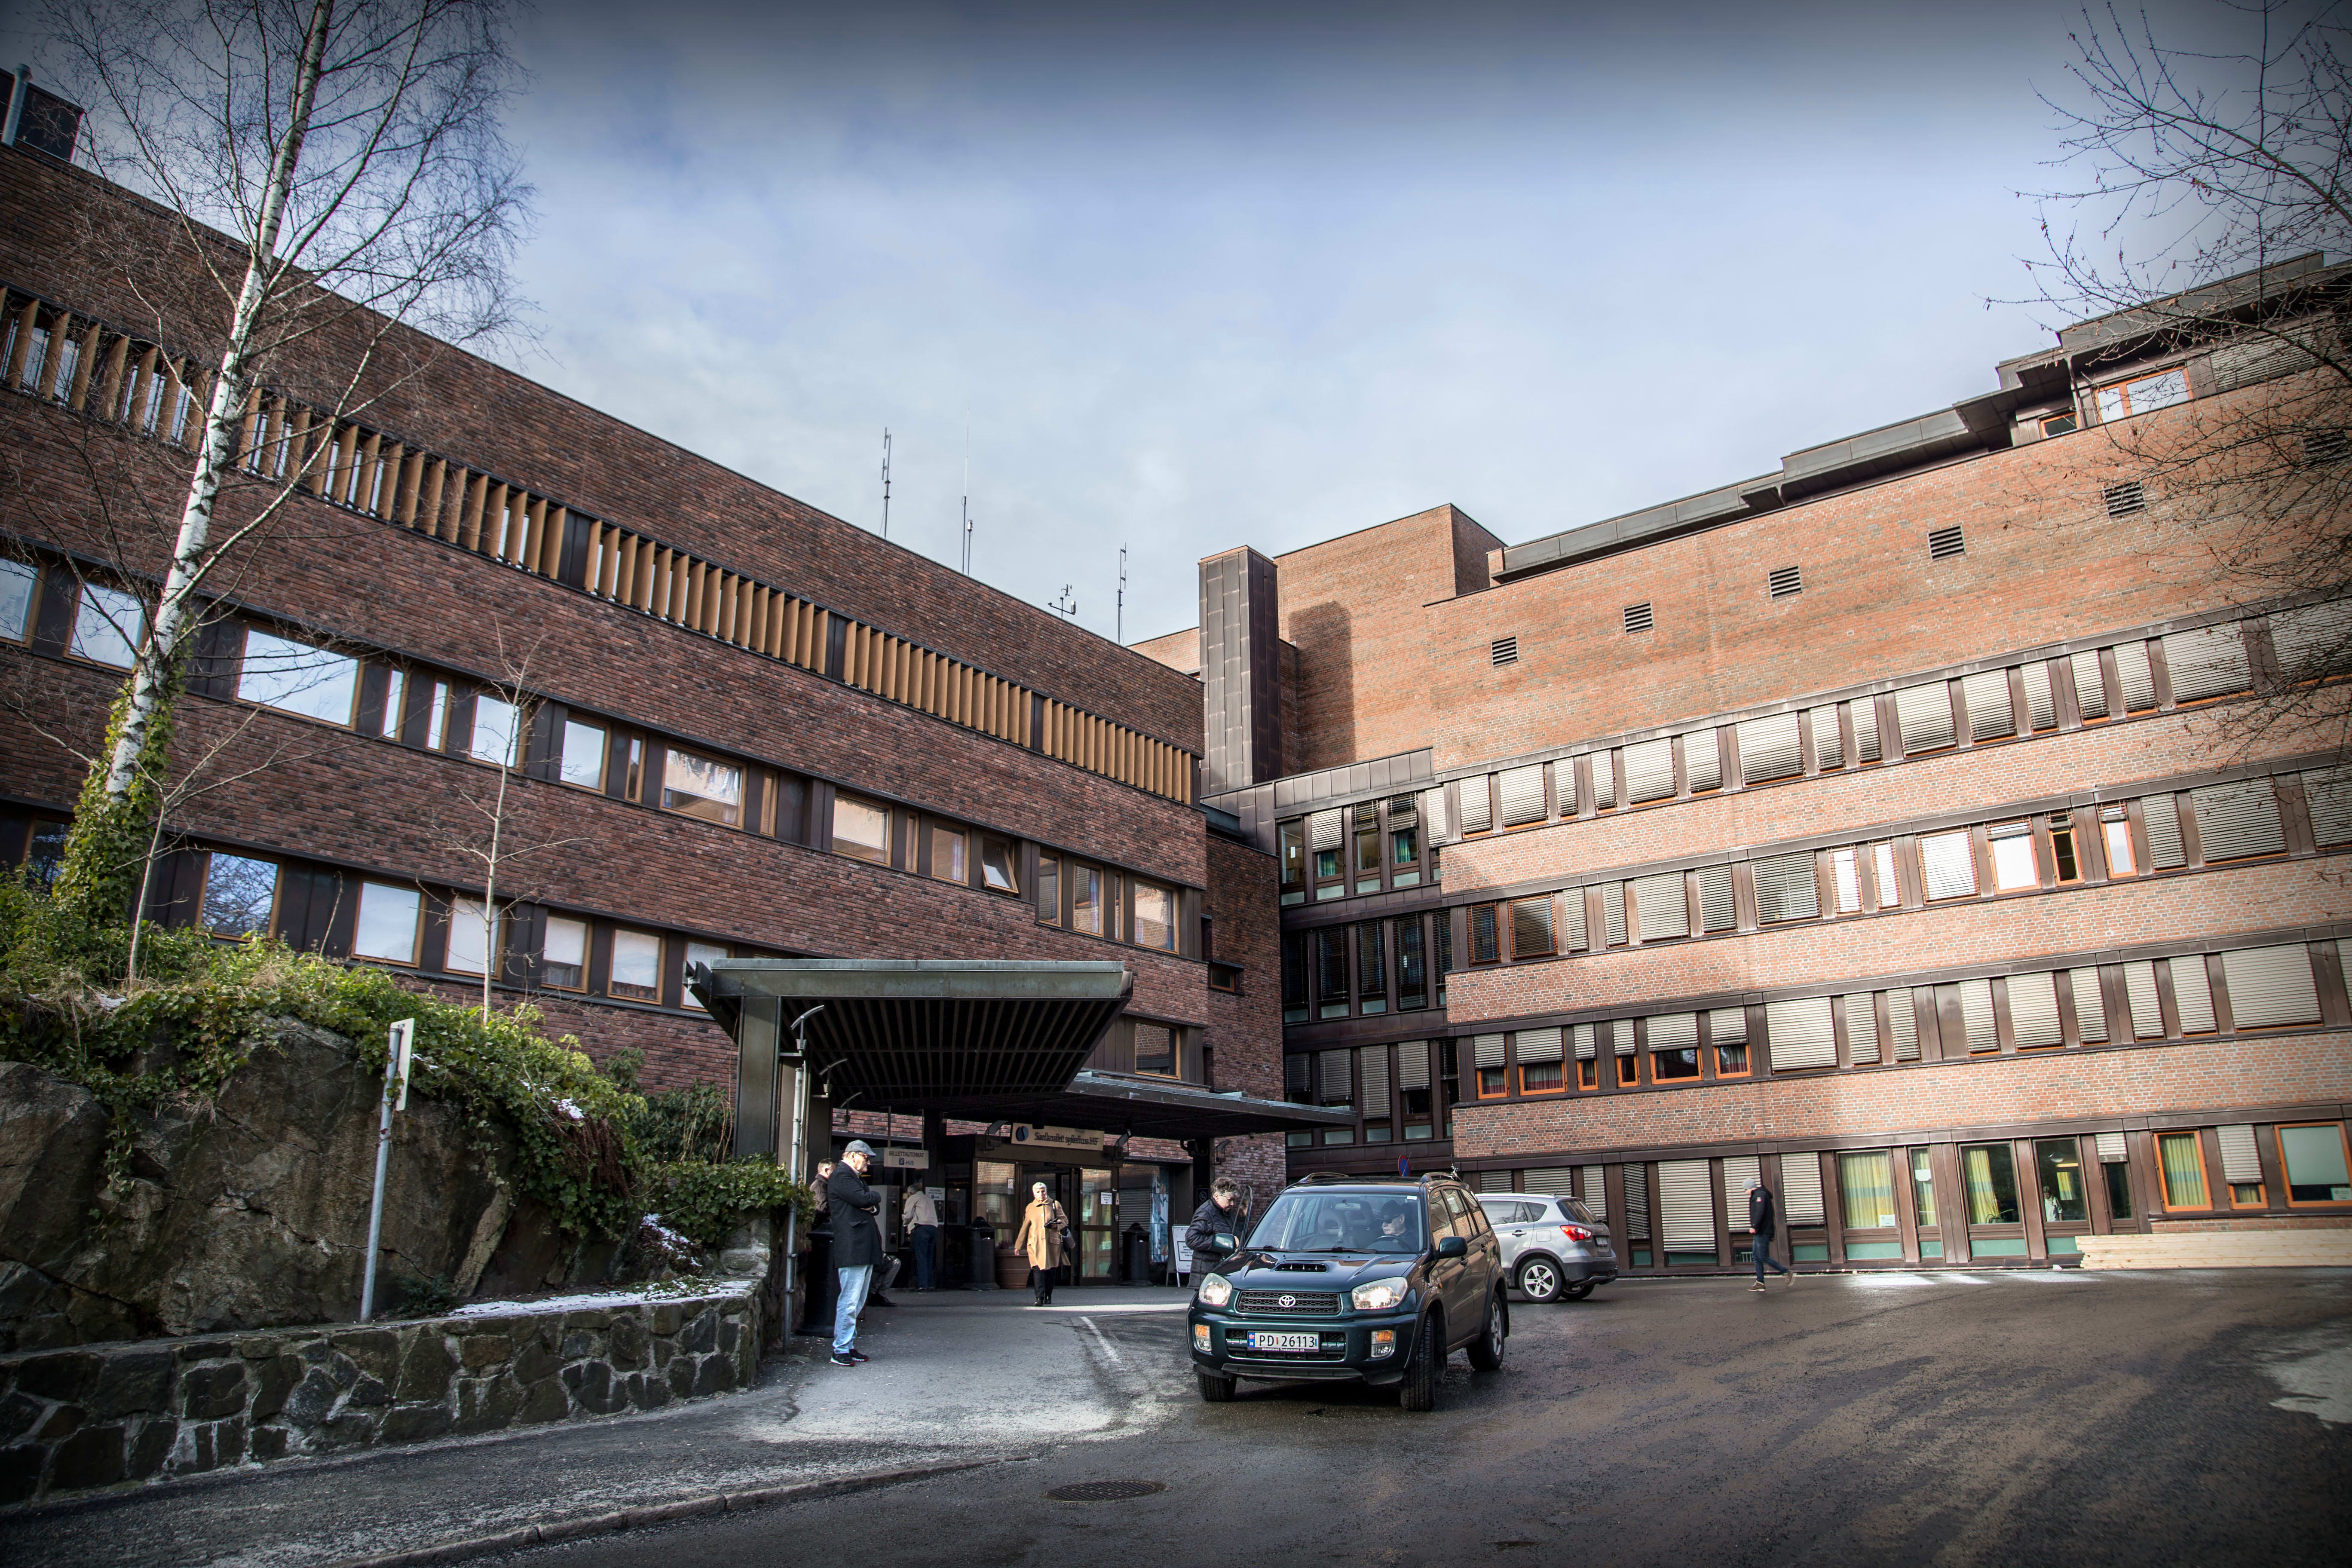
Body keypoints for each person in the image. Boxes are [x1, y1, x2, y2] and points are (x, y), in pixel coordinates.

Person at [826, 1141, 883, 1365]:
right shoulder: (842, 1175)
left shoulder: (854, 1178)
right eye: (866, 1157)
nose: (868, 1163)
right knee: (850, 1300)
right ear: (852, 1156)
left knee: (857, 1301)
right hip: (853, 1246)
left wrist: (870, 1202)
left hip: (861, 1246)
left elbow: (871, 1206)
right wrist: (873, 1198)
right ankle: (840, 1349)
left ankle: (848, 1345)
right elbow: (864, 1200)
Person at [1015, 1181, 1069, 1306]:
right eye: (1038, 1192)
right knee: (1037, 1270)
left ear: (1046, 1192)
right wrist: (1018, 1245)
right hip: (1035, 1244)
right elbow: (1025, 1227)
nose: (1041, 1194)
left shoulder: (1054, 1204)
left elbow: (1064, 1220)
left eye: (1043, 1191)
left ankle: (1049, 1295)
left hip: (1052, 1244)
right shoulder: (1030, 1208)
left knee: (1051, 1271)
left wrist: (1056, 1225)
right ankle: (1039, 1298)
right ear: (1034, 1194)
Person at [1185, 1178, 1250, 1273]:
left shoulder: (1228, 1213)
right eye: (1230, 1200)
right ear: (1217, 1196)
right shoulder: (1206, 1212)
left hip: (1220, 1269)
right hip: (1207, 1273)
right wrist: (1223, 1242)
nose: (1232, 1204)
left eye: (1234, 1200)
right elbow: (1192, 1239)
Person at [1748, 1178, 1793, 1291]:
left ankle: (1786, 1272)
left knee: (1762, 1257)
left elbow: (1760, 1212)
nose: (1746, 1192)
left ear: (1750, 1188)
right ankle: (1760, 1282)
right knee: (1756, 1257)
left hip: (1763, 1232)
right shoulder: (1759, 1195)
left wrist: (1754, 1226)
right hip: (1761, 1231)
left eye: (1746, 1190)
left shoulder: (1759, 1195)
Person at [903, 1184, 941, 1292]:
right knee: (929, 1257)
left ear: (911, 1193)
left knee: (921, 1257)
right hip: (933, 1228)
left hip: (922, 1228)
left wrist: (905, 1223)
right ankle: (928, 1283)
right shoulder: (928, 1199)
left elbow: (908, 1215)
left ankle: (922, 1285)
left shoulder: (914, 1198)